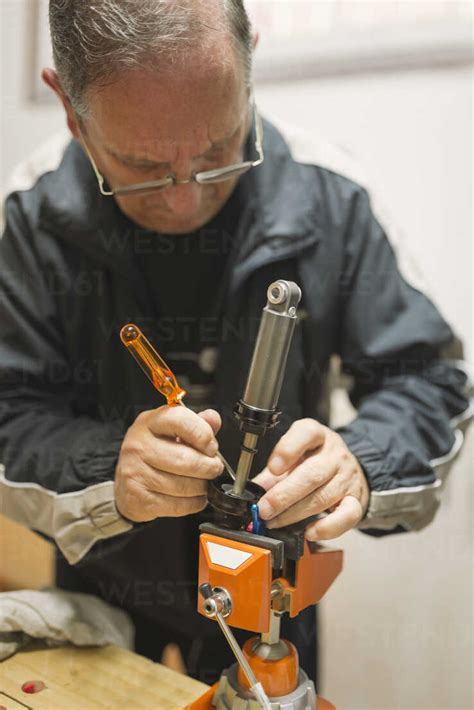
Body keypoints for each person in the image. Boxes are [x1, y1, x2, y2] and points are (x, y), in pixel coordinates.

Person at [0, 0, 471, 688]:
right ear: (70, 110)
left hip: (272, 595)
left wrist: (363, 464)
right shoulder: (30, 219)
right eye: (143, 167)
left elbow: (430, 382)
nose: (188, 200)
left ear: (251, 56)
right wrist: (106, 471)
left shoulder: (331, 199)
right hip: (99, 574)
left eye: (219, 150)